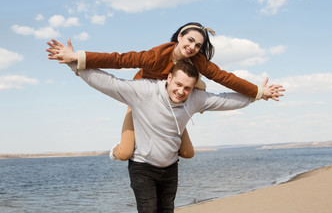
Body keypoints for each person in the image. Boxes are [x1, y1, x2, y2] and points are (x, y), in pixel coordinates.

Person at [47, 22, 285, 161]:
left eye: (198, 45)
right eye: (189, 40)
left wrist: (258, 92)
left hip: (175, 107)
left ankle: (172, 131)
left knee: (188, 153)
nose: (192, 47)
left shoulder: (199, 61)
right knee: (125, 153)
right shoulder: (155, 55)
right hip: (143, 102)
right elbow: (119, 59)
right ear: (179, 36)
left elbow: (224, 77)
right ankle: (115, 150)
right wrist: (78, 58)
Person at [61, 58, 262, 213]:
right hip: (142, 167)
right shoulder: (145, 91)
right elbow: (109, 83)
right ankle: (116, 150)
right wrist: (74, 64)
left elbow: (225, 100)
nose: (181, 91)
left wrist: (258, 94)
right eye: (178, 84)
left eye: (187, 88)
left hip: (169, 168)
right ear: (168, 78)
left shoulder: (195, 98)